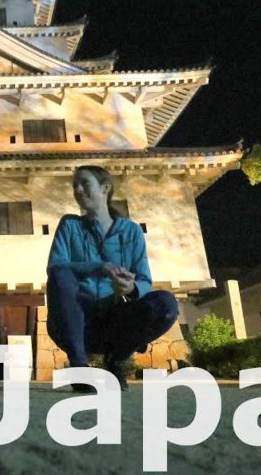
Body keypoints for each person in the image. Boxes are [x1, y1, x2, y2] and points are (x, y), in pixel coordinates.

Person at [46, 165, 179, 392]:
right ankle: (79, 366)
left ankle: (116, 361)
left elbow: (145, 280)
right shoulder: (70, 225)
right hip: (74, 322)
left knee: (166, 303)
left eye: (84, 183)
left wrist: (131, 288)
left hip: (116, 323)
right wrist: (100, 267)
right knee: (60, 273)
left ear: (105, 188)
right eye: (74, 185)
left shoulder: (132, 231)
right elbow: (55, 266)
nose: (77, 189)